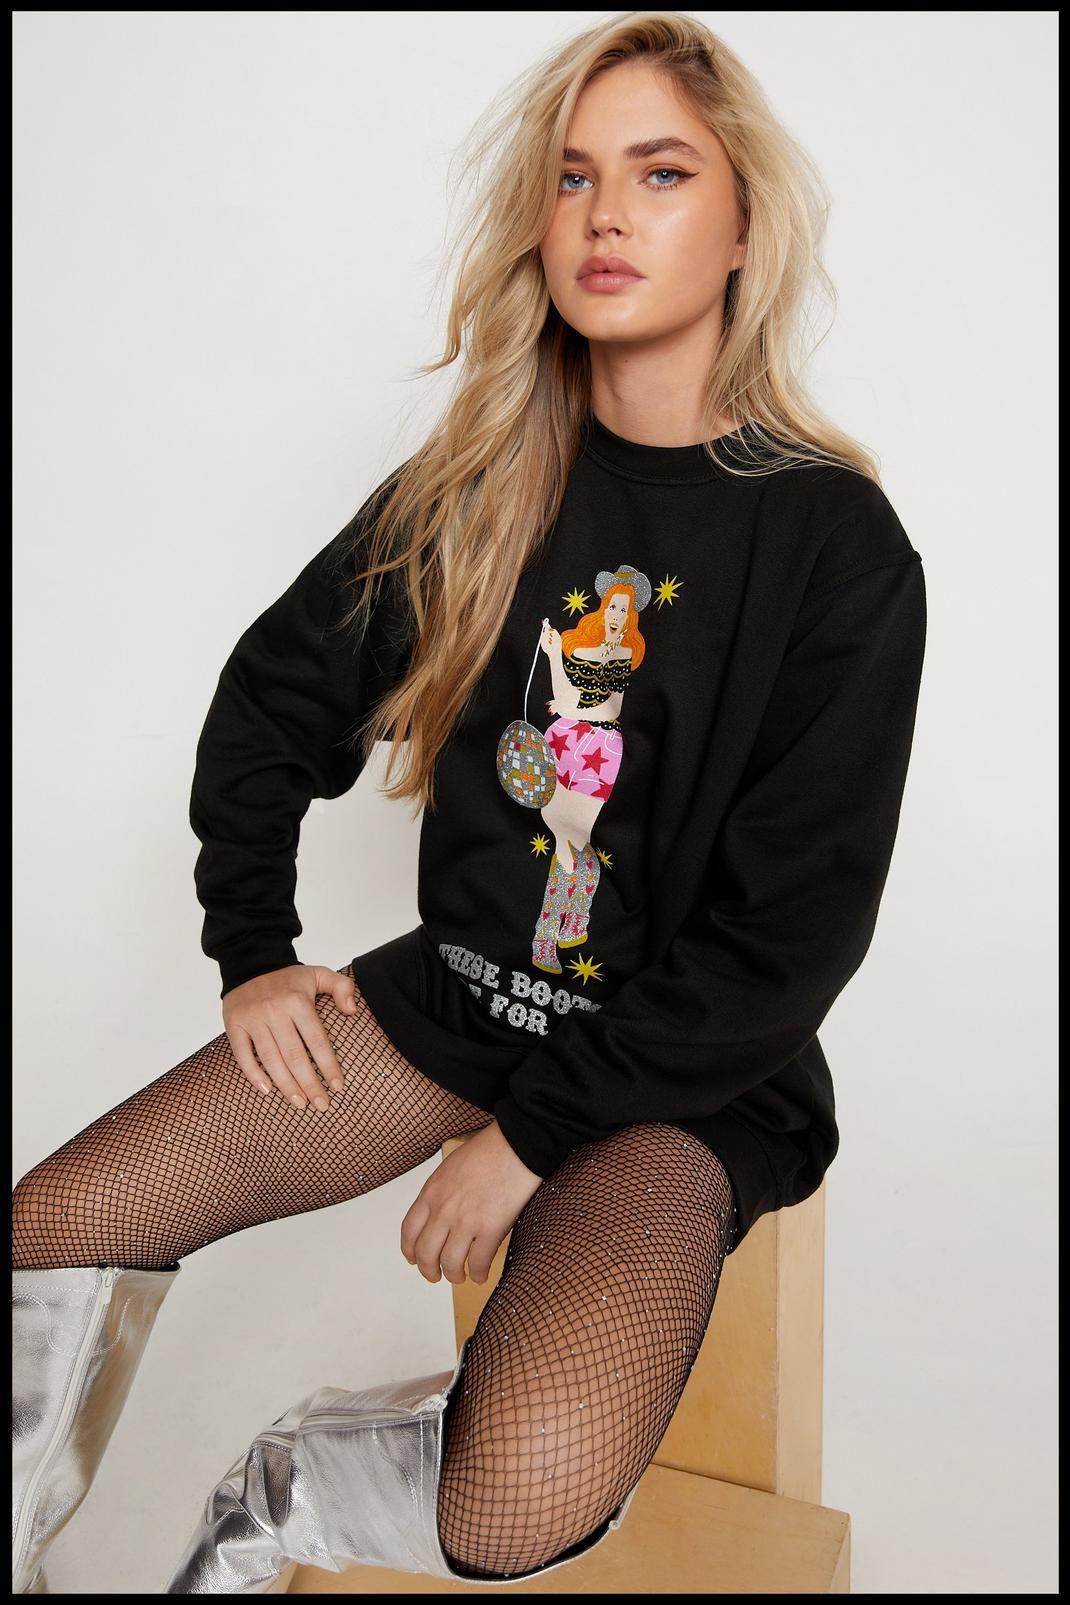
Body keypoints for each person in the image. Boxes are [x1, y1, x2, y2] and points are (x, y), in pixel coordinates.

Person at [11, 12, 927, 1596]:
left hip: (683, 1086)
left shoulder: (834, 547)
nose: (605, 213)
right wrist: (252, 947)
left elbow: (786, 940)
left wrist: (530, 1136)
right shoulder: (486, 479)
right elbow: (272, 699)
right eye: (573, 177)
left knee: (512, 1498)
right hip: (460, 1002)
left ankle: (281, 1493)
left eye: (659, 173)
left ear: (742, 227)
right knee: (51, 1227)